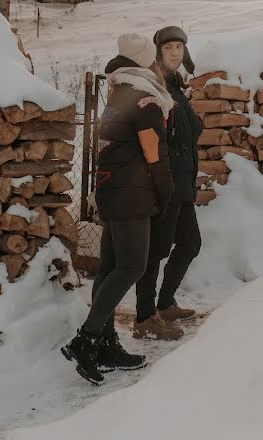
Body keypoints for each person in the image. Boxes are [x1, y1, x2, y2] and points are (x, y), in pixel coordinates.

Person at [61, 33, 175, 385]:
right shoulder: (146, 101)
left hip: (109, 189)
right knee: (132, 266)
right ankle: (86, 339)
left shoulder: (117, 95)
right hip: (133, 193)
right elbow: (154, 153)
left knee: (111, 268)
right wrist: (165, 190)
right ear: (145, 64)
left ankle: (107, 344)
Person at [132, 25, 203, 341]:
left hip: (183, 182)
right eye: (169, 46)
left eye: (180, 47)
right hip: (164, 182)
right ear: (158, 50)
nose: (175, 52)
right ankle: (145, 317)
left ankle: (165, 302)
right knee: (156, 251)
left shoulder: (176, 87)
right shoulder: (155, 87)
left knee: (190, 243)